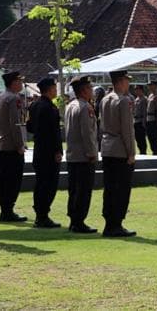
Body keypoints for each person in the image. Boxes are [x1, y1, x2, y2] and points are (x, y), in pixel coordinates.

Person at [99, 70, 137, 237]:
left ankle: (109, 222)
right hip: (120, 149)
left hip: (107, 147)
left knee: (109, 188)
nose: (128, 84)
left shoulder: (105, 99)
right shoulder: (123, 101)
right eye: (126, 80)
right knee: (121, 188)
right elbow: (127, 129)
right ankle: (116, 224)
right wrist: (131, 153)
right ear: (120, 81)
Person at [26, 77, 63, 228]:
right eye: (54, 88)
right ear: (49, 89)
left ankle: (40, 214)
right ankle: (43, 215)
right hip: (48, 151)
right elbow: (53, 132)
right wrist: (57, 150)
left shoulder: (34, 105)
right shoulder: (49, 107)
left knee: (41, 183)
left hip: (39, 149)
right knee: (49, 184)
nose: (56, 90)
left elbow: (29, 127)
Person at [64, 76, 99, 233]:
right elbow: (87, 133)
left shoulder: (70, 105)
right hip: (84, 155)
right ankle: (79, 221)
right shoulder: (85, 107)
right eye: (90, 88)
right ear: (84, 90)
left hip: (73, 154)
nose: (92, 91)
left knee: (74, 189)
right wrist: (92, 153)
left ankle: (74, 219)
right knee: (83, 190)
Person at [0, 71, 27, 222]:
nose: (21, 84)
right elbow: (16, 124)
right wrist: (20, 144)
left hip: (3, 143)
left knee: (5, 179)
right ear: (13, 83)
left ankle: (5, 209)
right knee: (13, 180)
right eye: (19, 81)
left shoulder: (0, 97)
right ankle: (8, 210)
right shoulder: (14, 98)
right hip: (12, 145)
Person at [145, 81, 157, 156]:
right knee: (150, 137)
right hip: (149, 119)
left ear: (155, 86)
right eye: (149, 85)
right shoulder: (150, 95)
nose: (149, 87)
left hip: (154, 120)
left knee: (155, 137)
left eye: (151, 85)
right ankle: (153, 151)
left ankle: (156, 152)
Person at [132, 85, 148, 155]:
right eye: (135, 89)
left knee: (142, 139)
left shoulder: (144, 99)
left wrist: (144, 123)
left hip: (141, 121)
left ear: (141, 90)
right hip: (136, 121)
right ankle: (141, 151)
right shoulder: (136, 99)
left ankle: (143, 152)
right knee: (137, 138)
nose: (136, 91)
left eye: (137, 89)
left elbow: (144, 112)